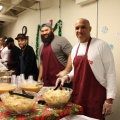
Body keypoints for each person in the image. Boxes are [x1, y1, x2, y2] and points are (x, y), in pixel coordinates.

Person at [56, 18, 117, 120]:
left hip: (95, 97)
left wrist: (109, 99)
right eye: (77, 28)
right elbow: (76, 71)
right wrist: (66, 77)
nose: (80, 30)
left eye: (83, 27)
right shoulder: (75, 49)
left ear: (90, 28)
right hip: (78, 96)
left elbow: (110, 73)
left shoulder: (101, 45)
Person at [37, 23, 72, 87]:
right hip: (47, 82)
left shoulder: (61, 40)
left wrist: (66, 71)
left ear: (52, 30)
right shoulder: (41, 47)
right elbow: (42, 64)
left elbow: (71, 54)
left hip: (62, 80)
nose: (44, 32)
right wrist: (39, 78)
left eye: (47, 30)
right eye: (42, 31)